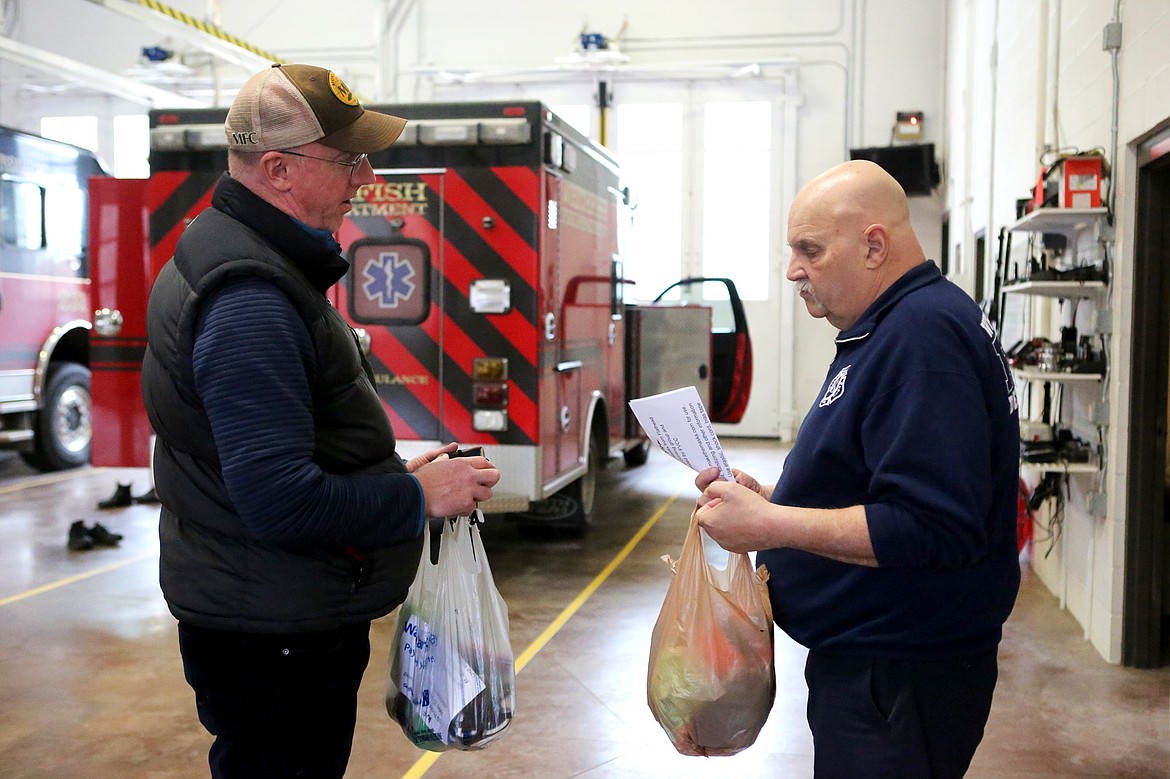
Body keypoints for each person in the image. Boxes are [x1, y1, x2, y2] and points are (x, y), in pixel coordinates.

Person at [141, 63, 500, 779]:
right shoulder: (250, 298)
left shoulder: (244, 257)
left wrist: (392, 472)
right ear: (277, 169)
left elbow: (267, 449)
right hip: (270, 629)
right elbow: (279, 498)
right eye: (347, 161)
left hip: (262, 607)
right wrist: (418, 497)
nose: (366, 177)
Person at [695, 160, 1020, 778]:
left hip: (898, 676)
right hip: (879, 666)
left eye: (809, 250)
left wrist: (774, 527)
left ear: (874, 245)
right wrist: (771, 499)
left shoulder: (922, 338)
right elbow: (874, 480)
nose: (793, 269)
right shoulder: (896, 327)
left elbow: (933, 527)